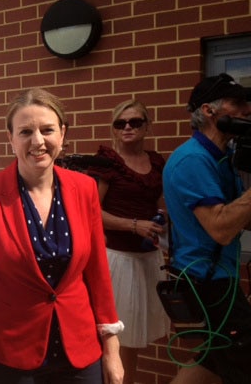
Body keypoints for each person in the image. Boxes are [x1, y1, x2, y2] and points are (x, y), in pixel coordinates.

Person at [0, 87, 124, 384]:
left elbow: (98, 273)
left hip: (80, 350)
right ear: (10, 139)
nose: (38, 141)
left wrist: (111, 349)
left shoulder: (85, 188)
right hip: (11, 353)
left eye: (47, 130)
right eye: (25, 132)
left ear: (62, 134)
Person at [163, 73, 251, 384]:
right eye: (237, 103)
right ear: (209, 110)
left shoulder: (222, 157)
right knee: (239, 361)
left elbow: (241, 216)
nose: (246, 109)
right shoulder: (193, 161)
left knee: (215, 360)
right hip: (206, 281)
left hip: (218, 277)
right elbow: (220, 228)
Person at [87, 99, 169, 384]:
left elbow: (161, 204)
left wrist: (163, 222)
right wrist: (134, 226)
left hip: (148, 259)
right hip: (117, 260)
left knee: (133, 339)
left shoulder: (156, 161)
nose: (128, 127)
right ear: (113, 128)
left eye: (135, 122)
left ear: (147, 126)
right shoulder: (108, 162)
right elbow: (92, 212)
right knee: (114, 337)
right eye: (120, 123)